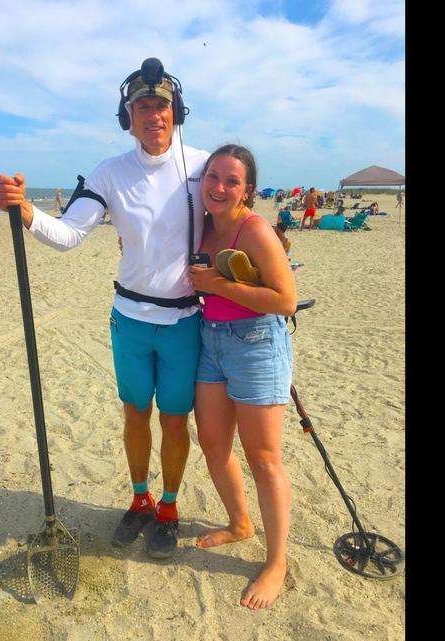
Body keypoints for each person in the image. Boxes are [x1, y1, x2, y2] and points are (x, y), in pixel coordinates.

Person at [0, 58, 211, 560]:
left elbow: (236, 220)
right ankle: (140, 498)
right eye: (142, 106)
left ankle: (169, 507)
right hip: (130, 320)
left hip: (184, 321)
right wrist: (24, 209)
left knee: (175, 421)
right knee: (135, 414)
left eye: (162, 105)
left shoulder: (203, 166)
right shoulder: (110, 172)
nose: (153, 114)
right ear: (126, 116)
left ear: (177, 112)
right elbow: (70, 234)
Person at [186, 144, 297, 610]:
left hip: (256, 343)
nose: (219, 187)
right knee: (213, 444)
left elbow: (286, 300)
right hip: (210, 338)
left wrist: (220, 285)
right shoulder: (202, 223)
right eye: (213, 176)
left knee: (264, 459)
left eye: (231, 180)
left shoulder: (255, 230)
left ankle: (276, 562)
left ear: (247, 189)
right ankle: (239, 523)